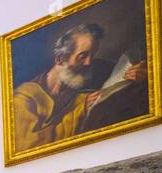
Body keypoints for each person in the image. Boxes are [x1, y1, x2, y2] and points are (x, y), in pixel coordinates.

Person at [12, 23, 147, 152]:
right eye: (82, 56)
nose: (88, 63)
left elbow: (121, 75)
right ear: (60, 59)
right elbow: (31, 145)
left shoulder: (93, 72)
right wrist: (80, 110)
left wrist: (139, 73)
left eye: (92, 55)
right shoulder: (23, 98)